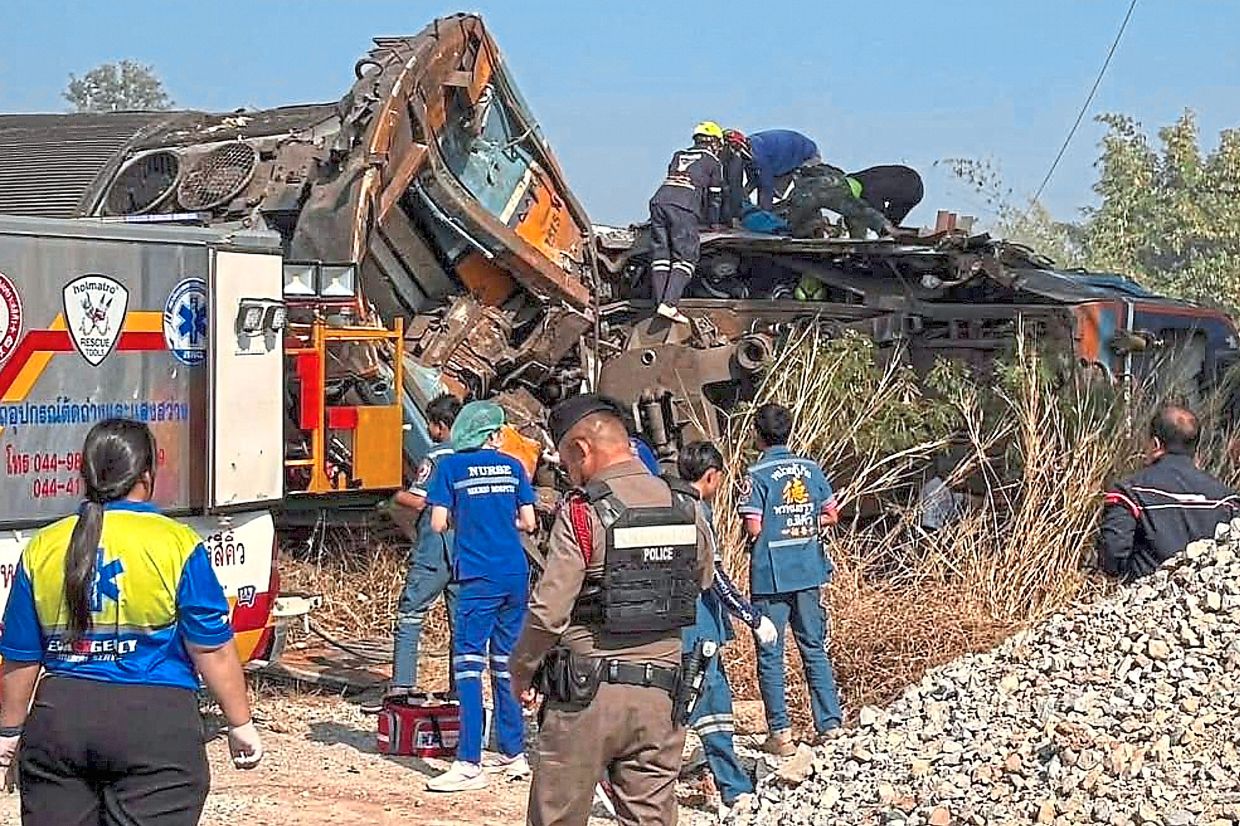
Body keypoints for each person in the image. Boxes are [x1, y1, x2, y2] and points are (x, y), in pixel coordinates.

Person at [0, 419, 262, 826]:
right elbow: (210, 646)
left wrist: (10, 733)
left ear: (85, 474)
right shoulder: (176, 543)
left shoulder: (43, 546)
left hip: (60, 723)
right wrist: (239, 722)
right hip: (156, 726)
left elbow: (20, 658)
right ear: (146, 474)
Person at [511, 394, 714, 825]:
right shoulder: (686, 505)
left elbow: (549, 612)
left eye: (568, 463)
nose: (570, 475)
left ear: (581, 450)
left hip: (586, 694)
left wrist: (521, 669)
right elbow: (702, 580)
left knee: (558, 816)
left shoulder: (585, 512)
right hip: (662, 696)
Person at [424, 401, 537, 792]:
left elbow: (437, 524)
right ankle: (514, 753)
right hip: (514, 574)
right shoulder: (513, 467)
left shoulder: (450, 468)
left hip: (477, 576)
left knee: (469, 668)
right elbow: (529, 522)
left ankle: (469, 761)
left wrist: (464, 517)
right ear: (494, 434)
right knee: (505, 663)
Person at [677, 441, 779, 815]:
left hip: (668, 627)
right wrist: (752, 616)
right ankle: (733, 788)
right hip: (697, 629)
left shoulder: (667, 503)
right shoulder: (697, 512)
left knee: (672, 706)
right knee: (712, 705)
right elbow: (715, 579)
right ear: (711, 476)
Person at [737, 403, 844, 756]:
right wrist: (807, 524)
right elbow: (832, 514)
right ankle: (830, 724)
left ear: (757, 434)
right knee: (813, 647)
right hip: (808, 570)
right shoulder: (811, 470)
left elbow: (754, 527)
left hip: (770, 577)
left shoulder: (757, 474)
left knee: (770, 653)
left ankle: (780, 733)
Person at [1098, 404, 1239, 580]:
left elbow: (1112, 558)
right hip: (1210, 603)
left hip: (1149, 602)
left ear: (1156, 444)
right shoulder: (1227, 499)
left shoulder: (1130, 493)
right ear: (1195, 448)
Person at [383, 393, 462, 701]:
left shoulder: (437, 457)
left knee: (411, 614)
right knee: (462, 623)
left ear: (439, 426)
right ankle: (459, 691)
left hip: (435, 549)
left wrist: (389, 492)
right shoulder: (473, 455)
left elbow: (419, 501)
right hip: (465, 549)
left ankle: (403, 685)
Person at [648, 121, 725, 324]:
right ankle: (670, 304)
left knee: (661, 254)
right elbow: (714, 198)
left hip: (659, 201)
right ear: (715, 143)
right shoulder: (713, 162)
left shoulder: (678, 154)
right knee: (686, 256)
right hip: (683, 206)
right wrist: (714, 223)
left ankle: (660, 303)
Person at [847, 164, 924, 230]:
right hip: (916, 190)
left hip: (907, 185)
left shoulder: (867, 188)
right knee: (889, 224)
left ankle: (889, 232)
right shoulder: (866, 180)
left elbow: (876, 209)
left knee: (882, 222)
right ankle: (892, 232)